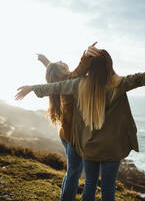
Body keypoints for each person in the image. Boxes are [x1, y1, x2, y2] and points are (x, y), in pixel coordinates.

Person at [15, 49, 145, 201]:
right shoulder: (117, 84)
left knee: (88, 181)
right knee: (100, 184)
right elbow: (143, 78)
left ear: (90, 68)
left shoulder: (76, 84)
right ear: (109, 66)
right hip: (97, 144)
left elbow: (55, 84)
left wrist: (33, 86)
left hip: (86, 144)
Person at [35, 43, 100, 201]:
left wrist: (45, 61)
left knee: (72, 170)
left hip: (64, 133)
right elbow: (81, 67)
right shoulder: (70, 79)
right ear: (63, 71)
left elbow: (54, 71)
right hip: (73, 136)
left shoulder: (58, 82)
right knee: (74, 172)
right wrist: (86, 54)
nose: (62, 60)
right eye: (60, 62)